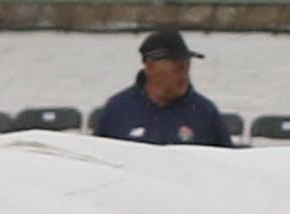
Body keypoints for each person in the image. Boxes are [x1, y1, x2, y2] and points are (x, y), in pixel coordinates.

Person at [89, 27, 238, 147]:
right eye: (177, 69)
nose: (184, 75)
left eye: (187, 67)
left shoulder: (205, 113)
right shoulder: (118, 109)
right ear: (150, 66)